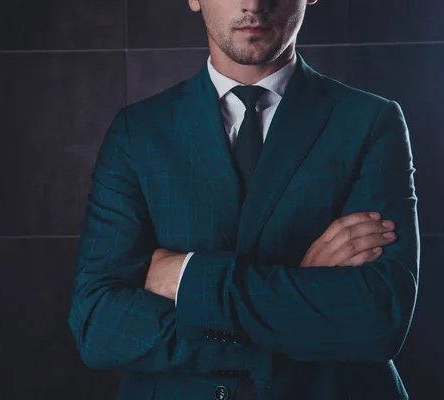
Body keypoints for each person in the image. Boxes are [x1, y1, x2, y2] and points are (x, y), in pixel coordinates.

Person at [68, 0, 420, 399]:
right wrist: (300, 285)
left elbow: (376, 321)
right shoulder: (138, 132)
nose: (253, 4)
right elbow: (98, 324)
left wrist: (186, 277)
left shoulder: (371, 122)